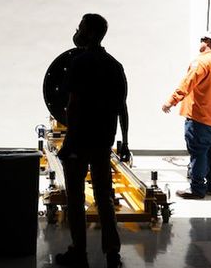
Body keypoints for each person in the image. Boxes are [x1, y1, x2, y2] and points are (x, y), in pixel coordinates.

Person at [55, 14, 129, 268]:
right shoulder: (114, 65)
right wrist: (126, 141)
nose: (77, 30)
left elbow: (73, 104)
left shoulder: (80, 62)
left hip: (80, 141)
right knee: (104, 197)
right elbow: (122, 107)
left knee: (75, 199)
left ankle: (79, 251)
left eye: (81, 27)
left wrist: (69, 143)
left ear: (86, 32)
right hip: (103, 140)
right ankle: (112, 253)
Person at [162, 31, 211, 199]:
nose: (201, 43)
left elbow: (187, 83)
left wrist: (171, 100)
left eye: (202, 40)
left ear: (209, 42)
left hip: (199, 116)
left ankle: (197, 189)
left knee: (198, 153)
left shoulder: (201, 62)